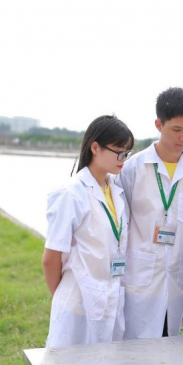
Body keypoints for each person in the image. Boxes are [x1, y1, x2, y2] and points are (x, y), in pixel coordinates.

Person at [117, 87, 183, 339]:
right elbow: (120, 223)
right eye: (177, 129)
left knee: (169, 343)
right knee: (134, 346)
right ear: (159, 124)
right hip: (140, 273)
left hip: (177, 274)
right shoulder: (132, 168)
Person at [42, 114, 134, 348]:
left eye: (127, 153)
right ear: (95, 147)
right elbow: (51, 258)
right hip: (77, 301)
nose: (123, 159)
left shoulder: (114, 189)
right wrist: (64, 297)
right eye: (119, 152)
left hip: (109, 298)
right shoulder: (72, 194)